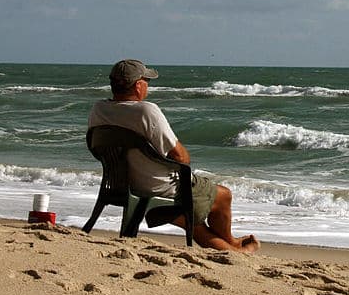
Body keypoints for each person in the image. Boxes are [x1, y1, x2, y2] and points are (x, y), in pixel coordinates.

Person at [88, 59, 259, 253]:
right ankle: (232, 244)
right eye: (146, 81)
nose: (148, 87)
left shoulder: (99, 109)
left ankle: (234, 248)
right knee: (223, 195)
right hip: (158, 187)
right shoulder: (146, 111)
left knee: (190, 220)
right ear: (137, 85)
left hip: (120, 185)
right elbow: (181, 157)